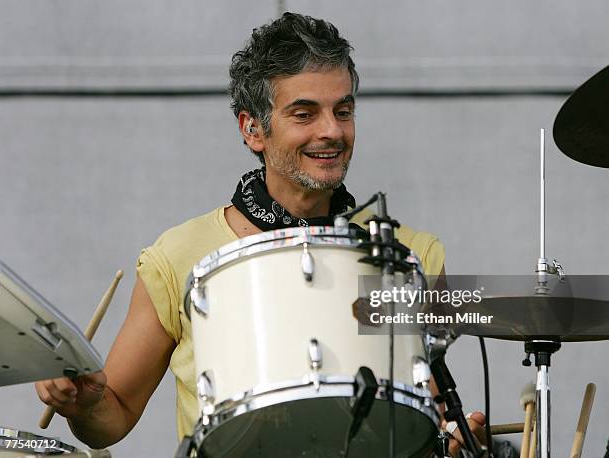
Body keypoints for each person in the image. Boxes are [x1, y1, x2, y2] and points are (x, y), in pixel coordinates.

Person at [36, 12, 485, 455]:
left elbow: (424, 421)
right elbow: (112, 417)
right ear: (253, 129)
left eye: (342, 111)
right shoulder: (176, 257)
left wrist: (453, 438)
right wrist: (85, 403)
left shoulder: (411, 255)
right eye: (305, 114)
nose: (331, 131)